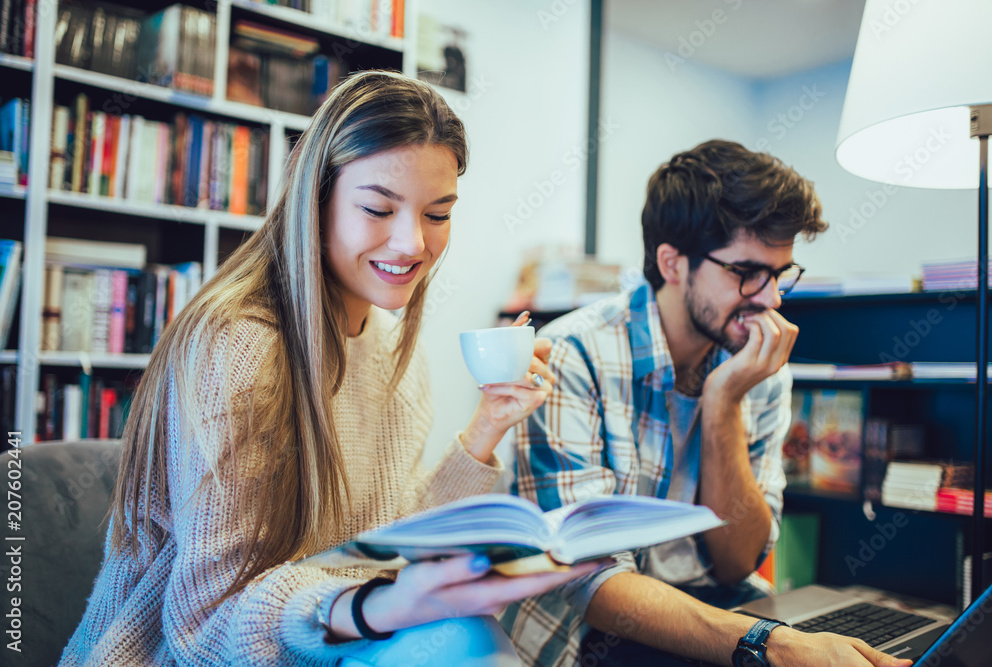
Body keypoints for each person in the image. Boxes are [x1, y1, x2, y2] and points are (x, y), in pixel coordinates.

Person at [59, 71, 604, 667]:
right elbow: (202, 625)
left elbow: (380, 540)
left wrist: (487, 426)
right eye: (377, 208)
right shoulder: (239, 347)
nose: (411, 243)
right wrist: (371, 607)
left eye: (438, 214)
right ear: (314, 200)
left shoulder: (390, 340)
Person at [500, 140, 913, 667]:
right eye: (747, 272)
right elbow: (593, 583)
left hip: (714, 615)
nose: (771, 299)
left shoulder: (755, 367)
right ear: (673, 263)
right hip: (585, 641)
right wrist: (771, 643)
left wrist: (723, 402)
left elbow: (737, 561)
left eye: (781, 273)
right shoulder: (572, 356)